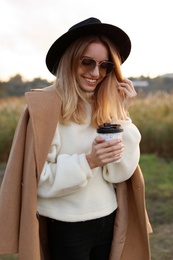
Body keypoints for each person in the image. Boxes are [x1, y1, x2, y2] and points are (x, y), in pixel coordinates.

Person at [0, 17, 152, 260]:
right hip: (67, 226)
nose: (96, 73)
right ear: (70, 60)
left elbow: (119, 173)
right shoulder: (44, 108)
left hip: (110, 218)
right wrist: (89, 161)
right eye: (87, 62)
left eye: (105, 65)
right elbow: (40, 181)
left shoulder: (107, 106)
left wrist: (123, 115)